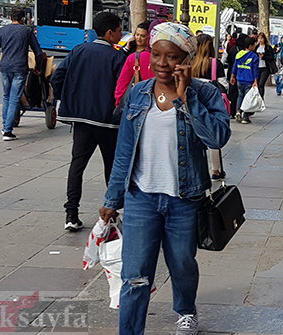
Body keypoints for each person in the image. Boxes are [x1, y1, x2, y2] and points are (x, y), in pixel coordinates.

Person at [100, 22, 231, 335]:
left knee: (182, 264)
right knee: (135, 273)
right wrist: (111, 198)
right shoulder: (137, 94)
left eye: (171, 56)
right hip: (141, 197)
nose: (161, 63)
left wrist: (187, 99)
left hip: (184, 199)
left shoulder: (205, 92)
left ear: (186, 57)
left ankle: (185, 310)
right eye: (155, 54)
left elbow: (216, 138)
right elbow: (124, 153)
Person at [50, 12, 125, 231]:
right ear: (110, 32)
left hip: (80, 120)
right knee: (111, 166)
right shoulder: (116, 57)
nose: (121, 34)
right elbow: (121, 89)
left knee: (77, 165)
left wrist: (71, 98)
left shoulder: (78, 50)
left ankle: (71, 214)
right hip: (107, 121)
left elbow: (57, 78)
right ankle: (113, 212)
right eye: (119, 30)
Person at [0, 8, 43, 141]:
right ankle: (7, 131)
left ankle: (5, 127)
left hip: (5, 68)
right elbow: (38, 53)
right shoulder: (26, 31)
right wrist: (38, 68)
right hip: (19, 68)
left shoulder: (2, 30)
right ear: (22, 19)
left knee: (6, 97)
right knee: (14, 98)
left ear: (10, 18)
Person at [191, 34, 227, 181]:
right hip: (210, 101)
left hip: (193, 101)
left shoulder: (191, 62)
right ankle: (216, 170)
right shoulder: (215, 63)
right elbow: (223, 84)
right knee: (212, 135)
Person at [115, 21, 155, 104]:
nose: (139, 38)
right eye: (137, 34)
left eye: (142, 36)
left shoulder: (149, 55)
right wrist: (126, 48)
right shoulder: (129, 50)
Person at [230, 36, 258, 124]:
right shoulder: (254, 57)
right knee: (247, 99)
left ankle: (238, 111)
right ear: (250, 46)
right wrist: (255, 81)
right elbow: (255, 70)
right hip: (248, 80)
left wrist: (232, 76)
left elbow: (235, 66)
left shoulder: (239, 54)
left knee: (240, 96)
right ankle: (245, 116)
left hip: (239, 79)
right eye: (254, 45)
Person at [226, 33, 247, 119]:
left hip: (232, 72)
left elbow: (228, 60)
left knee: (233, 93)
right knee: (242, 94)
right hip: (243, 74)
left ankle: (232, 112)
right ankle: (241, 110)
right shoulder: (246, 52)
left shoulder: (233, 49)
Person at [255, 32, 276, 99]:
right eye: (259, 38)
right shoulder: (256, 47)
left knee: (261, 84)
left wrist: (263, 56)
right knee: (257, 84)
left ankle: (261, 99)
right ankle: (257, 99)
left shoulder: (268, 48)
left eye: (261, 38)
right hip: (257, 68)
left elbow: (271, 57)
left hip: (265, 68)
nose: (260, 40)